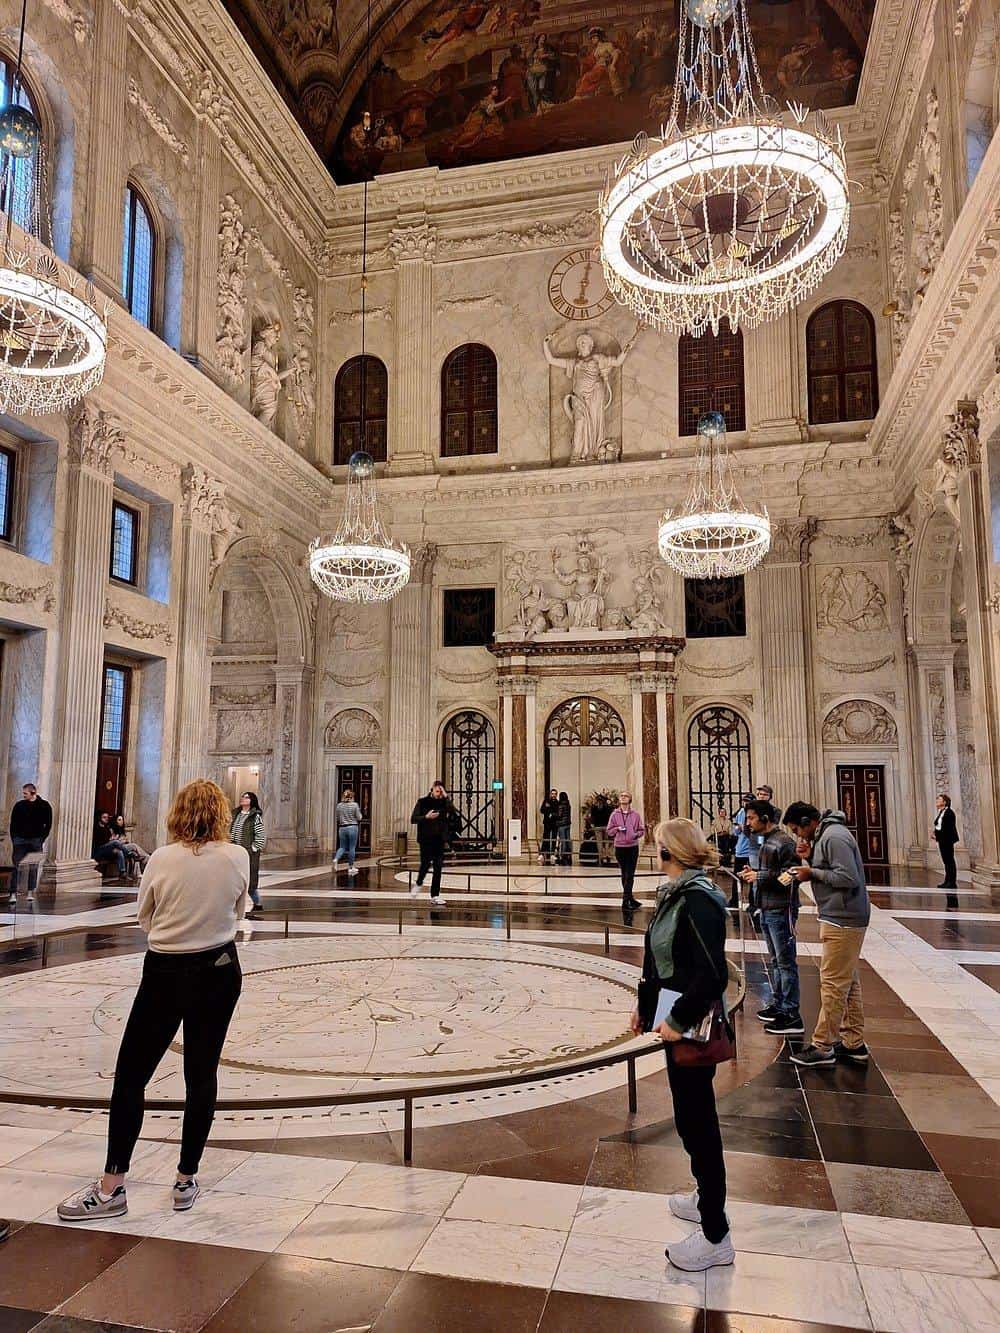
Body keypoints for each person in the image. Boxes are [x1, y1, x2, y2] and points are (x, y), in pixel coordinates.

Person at [57, 780, 248, 1222]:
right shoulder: (237, 856)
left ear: (178, 813)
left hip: (165, 972)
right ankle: (185, 1179)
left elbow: (145, 916)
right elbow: (237, 913)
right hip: (219, 970)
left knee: (130, 1077)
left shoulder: (162, 858)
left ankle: (112, 1187)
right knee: (201, 1076)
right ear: (220, 813)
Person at [630, 817, 733, 1272]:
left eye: (658, 847)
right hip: (673, 1019)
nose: (655, 853)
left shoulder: (699, 900)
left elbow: (712, 975)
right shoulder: (675, 893)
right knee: (689, 1118)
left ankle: (715, 1234)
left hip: (689, 1025)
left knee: (699, 1123)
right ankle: (703, 1194)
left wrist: (674, 1019)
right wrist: (644, 1005)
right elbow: (660, 960)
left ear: (670, 852)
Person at [784, 802, 871, 1068]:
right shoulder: (826, 836)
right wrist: (810, 857)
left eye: (798, 829)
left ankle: (823, 1046)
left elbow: (848, 877)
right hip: (841, 915)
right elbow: (832, 870)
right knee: (847, 982)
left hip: (843, 918)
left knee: (833, 984)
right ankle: (854, 1042)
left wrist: (811, 872)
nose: (799, 835)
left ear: (809, 821)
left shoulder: (834, 837)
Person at [741, 801, 802, 1036]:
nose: (748, 823)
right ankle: (779, 1004)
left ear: (765, 818)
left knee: (785, 962)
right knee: (775, 961)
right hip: (765, 907)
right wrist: (751, 873)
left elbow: (792, 875)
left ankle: (791, 1013)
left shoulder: (784, 842)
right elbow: (764, 871)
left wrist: (761, 876)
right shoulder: (761, 839)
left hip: (781, 908)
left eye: (751, 818)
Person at [410, 781, 458, 904]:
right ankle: (419, 883)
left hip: (439, 840)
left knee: (438, 867)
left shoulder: (444, 803)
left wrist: (446, 797)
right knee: (425, 864)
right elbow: (413, 819)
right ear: (432, 790)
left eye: (441, 791)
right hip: (426, 839)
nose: (439, 793)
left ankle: (435, 895)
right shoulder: (423, 802)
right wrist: (426, 817)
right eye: (437, 791)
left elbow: (453, 812)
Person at [9, 783, 52, 897]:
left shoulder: (44, 806)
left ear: (33, 793)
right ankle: (13, 893)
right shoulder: (19, 805)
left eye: (25, 793)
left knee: (33, 867)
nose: (23, 795)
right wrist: (14, 839)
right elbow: (13, 824)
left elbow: (48, 824)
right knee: (16, 866)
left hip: (35, 840)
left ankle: (30, 892)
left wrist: (41, 839)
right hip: (20, 840)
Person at [607, 790, 644, 911]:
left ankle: (626, 899)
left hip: (632, 847)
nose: (623, 797)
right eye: (621, 796)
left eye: (625, 796)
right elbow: (609, 831)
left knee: (630, 874)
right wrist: (617, 828)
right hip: (620, 847)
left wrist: (634, 835)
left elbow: (641, 830)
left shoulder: (636, 815)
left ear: (630, 799)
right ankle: (628, 898)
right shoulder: (614, 814)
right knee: (625, 873)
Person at [230, 793, 265, 916]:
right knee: (234, 879)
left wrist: (253, 848)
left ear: (251, 801)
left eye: (246, 797)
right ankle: (234, 906)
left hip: (248, 853)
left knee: (249, 881)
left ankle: (258, 904)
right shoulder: (236, 814)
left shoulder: (255, 817)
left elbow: (260, 836)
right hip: (235, 852)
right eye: (242, 797)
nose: (242, 799)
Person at [333, 788, 363, 876]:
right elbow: (359, 817)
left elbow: (338, 818)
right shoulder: (354, 805)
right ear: (352, 796)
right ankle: (350, 867)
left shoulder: (339, 805)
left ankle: (336, 859)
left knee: (342, 847)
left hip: (342, 828)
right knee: (352, 847)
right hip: (352, 827)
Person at [933, 793, 959, 889]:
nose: (937, 801)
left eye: (939, 799)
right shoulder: (941, 812)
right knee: (946, 861)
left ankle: (952, 882)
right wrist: (935, 834)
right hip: (942, 840)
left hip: (947, 840)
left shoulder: (949, 813)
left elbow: (948, 828)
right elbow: (939, 826)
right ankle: (947, 880)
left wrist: (938, 835)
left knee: (949, 861)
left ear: (944, 802)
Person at [113, 814, 150, 879]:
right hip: (117, 848)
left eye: (122, 820)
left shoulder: (121, 830)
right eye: (119, 820)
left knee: (135, 854)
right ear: (115, 821)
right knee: (133, 846)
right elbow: (114, 842)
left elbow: (126, 840)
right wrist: (122, 841)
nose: (121, 821)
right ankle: (147, 857)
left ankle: (138, 873)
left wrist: (123, 841)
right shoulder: (112, 830)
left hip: (124, 847)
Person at [93, 811, 127, 878]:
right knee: (115, 842)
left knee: (119, 852)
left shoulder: (107, 828)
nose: (106, 819)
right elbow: (101, 841)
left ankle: (122, 872)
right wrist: (112, 840)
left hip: (107, 849)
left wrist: (111, 840)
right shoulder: (96, 828)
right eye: (104, 817)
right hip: (99, 850)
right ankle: (128, 853)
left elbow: (109, 839)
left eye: (107, 817)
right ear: (100, 818)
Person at [590, 792, 614, 866]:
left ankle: (600, 858)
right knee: (607, 842)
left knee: (599, 843)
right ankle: (607, 856)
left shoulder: (594, 808)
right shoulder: (607, 808)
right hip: (606, 826)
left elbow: (592, 818)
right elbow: (610, 817)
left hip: (597, 827)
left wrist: (592, 825)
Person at [539, 788, 560, 865]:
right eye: (552, 794)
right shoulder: (546, 801)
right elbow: (542, 810)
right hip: (547, 822)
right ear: (550, 794)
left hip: (554, 823)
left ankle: (552, 854)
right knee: (546, 837)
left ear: (556, 795)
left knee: (554, 838)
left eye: (555, 794)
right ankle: (542, 853)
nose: (553, 795)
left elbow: (558, 813)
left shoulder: (558, 803)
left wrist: (551, 812)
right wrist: (549, 811)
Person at [556, 790, 573, 865]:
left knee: (563, 841)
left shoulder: (561, 805)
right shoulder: (568, 805)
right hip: (568, 824)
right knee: (568, 840)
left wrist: (553, 815)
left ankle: (563, 856)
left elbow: (559, 815)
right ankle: (569, 855)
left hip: (561, 825)